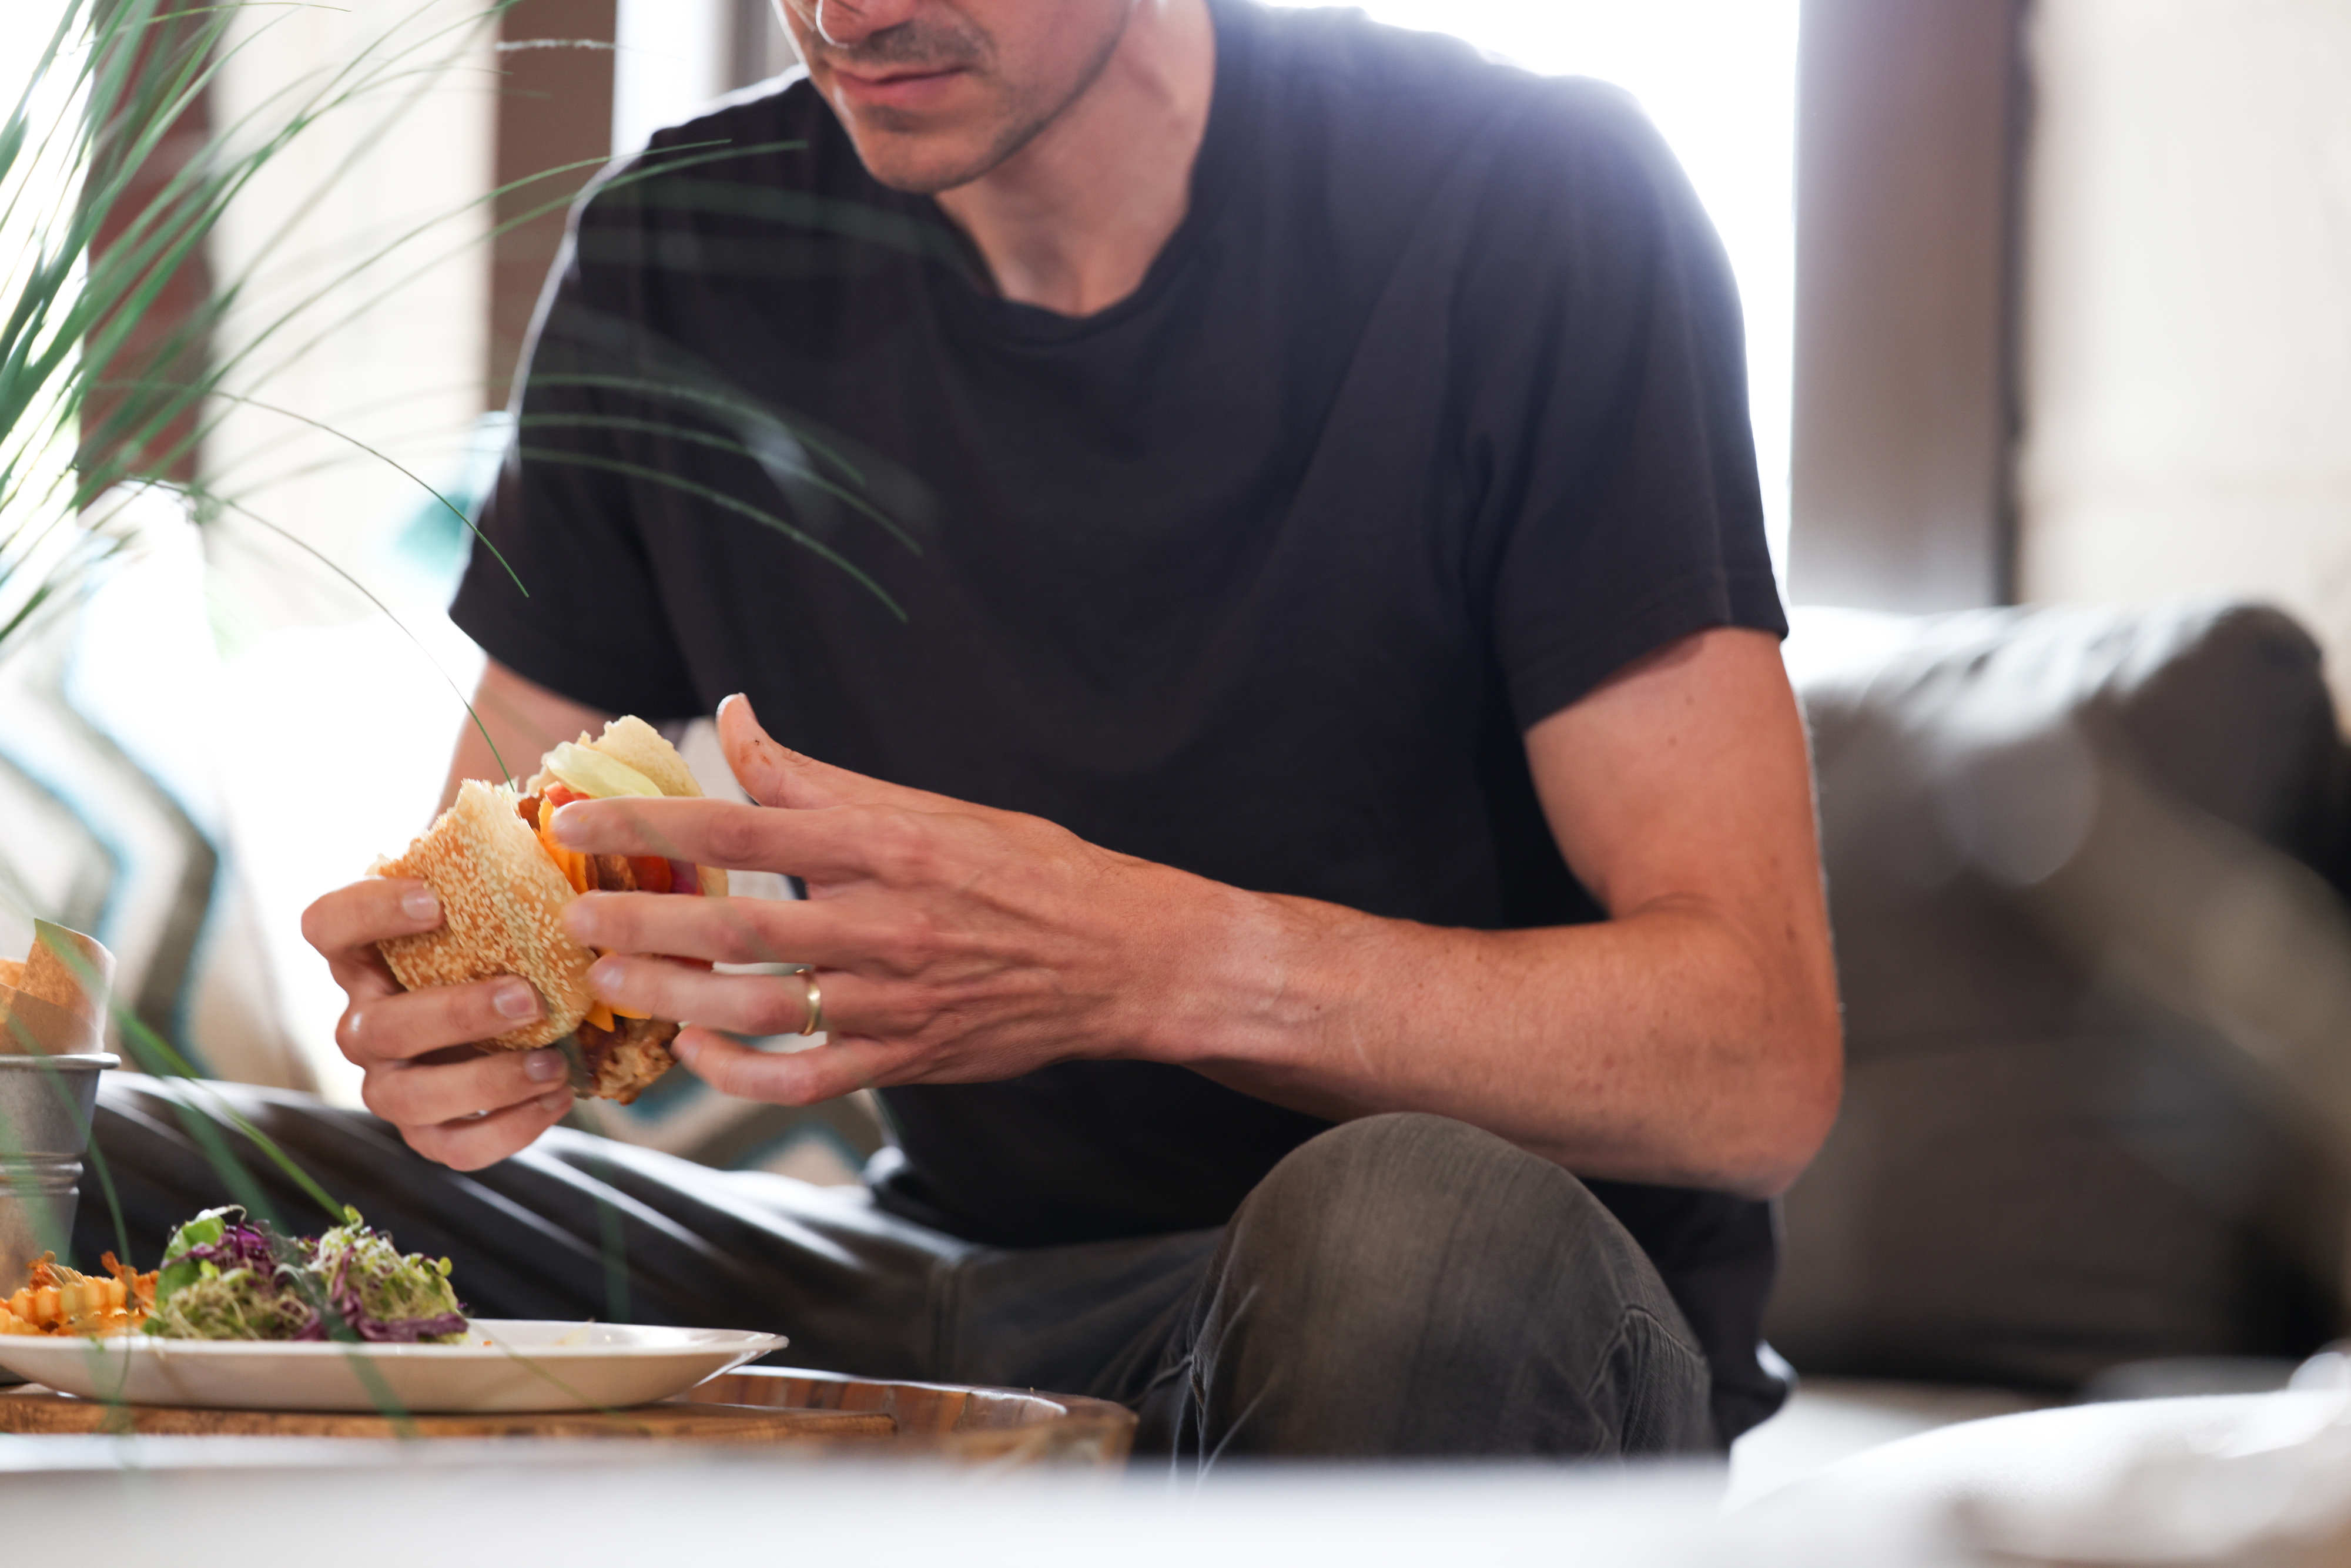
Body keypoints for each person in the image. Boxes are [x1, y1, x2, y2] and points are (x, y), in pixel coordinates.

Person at [101, 0, 1840, 1463]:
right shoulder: (680, 248)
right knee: (99, 1155)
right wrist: (451, 1037)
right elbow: (491, 885)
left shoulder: (1532, 206)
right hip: (944, 1293)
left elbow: (1755, 1059)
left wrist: (1155, 963)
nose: (848, 9)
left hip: (1432, 1314)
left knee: (1403, 1230)